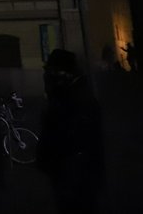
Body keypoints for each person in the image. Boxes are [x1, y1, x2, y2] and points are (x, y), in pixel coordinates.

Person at [37, 49, 104, 213]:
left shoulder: (72, 99)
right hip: (71, 173)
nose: (47, 77)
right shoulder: (72, 95)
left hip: (73, 174)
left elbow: (67, 137)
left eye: (51, 72)